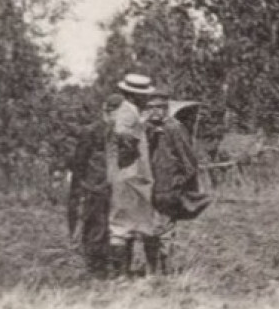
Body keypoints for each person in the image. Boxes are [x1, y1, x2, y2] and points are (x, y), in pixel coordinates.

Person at [142, 92, 211, 274]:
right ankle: (152, 272)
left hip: (167, 188)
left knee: (163, 231)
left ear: (166, 109)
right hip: (147, 188)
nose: (154, 111)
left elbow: (190, 162)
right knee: (148, 230)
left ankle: (165, 273)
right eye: (150, 107)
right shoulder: (146, 129)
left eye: (159, 107)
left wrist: (178, 182)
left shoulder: (174, 129)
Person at [106, 73, 168, 275]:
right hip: (132, 176)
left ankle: (124, 275)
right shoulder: (128, 111)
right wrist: (135, 138)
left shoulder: (129, 110)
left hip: (128, 176)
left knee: (126, 225)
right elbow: (123, 134)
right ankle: (142, 274)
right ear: (135, 95)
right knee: (137, 225)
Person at [65, 99, 112, 277]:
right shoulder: (91, 131)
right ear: (104, 111)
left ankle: (103, 264)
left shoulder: (118, 130)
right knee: (95, 225)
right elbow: (80, 163)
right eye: (110, 110)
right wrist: (82, 186)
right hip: (94, 186)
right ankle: (94, 267)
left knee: (107, 226)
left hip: (110, 185)